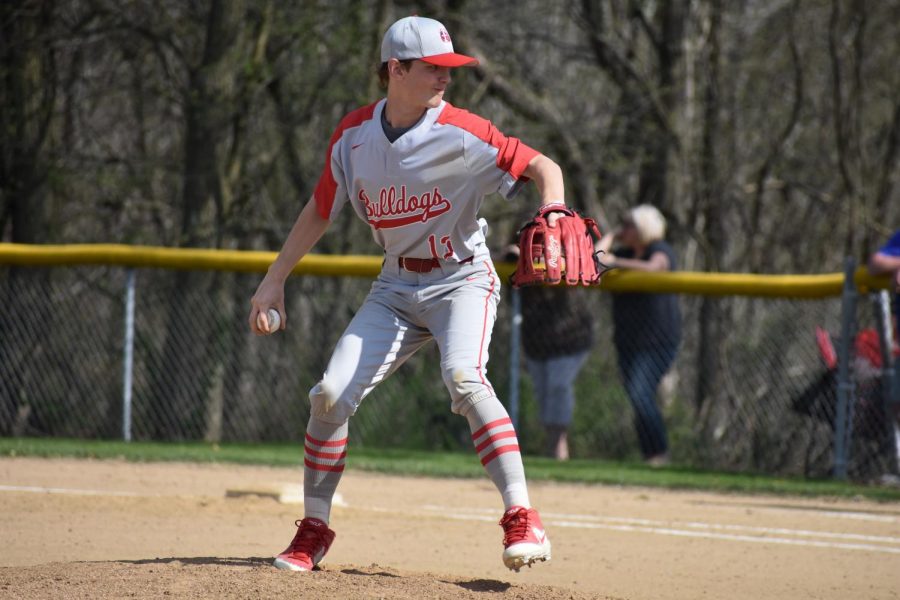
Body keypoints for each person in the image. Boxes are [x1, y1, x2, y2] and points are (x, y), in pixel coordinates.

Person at [249, 16, 566, 573]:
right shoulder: (353, 136)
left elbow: (544, 166)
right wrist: (274, 278)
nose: (446, 79)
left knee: (465, 378)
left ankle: (523, 517)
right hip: (395, 285)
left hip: (461, 279)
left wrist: (554, 210)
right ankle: (313, 530)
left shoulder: (463, 130)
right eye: (434, 69)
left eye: (449, 69)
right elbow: (321, 209)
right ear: (395, 70)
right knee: (328, 393)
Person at [596, 205, 681, 466]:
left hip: (658, 340)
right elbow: (593, 259)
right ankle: (650, 455)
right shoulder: (624, 251)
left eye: (630, 224)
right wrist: (611, 236)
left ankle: (658, 454)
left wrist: (616, 263)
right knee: (637, 396)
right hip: (628, 338)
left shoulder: (660, 250)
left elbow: (656, 268)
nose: (626, 228)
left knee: (640, 392)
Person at [504, 243, 594, 460]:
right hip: (537, 341)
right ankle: (553, 449)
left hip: (570, 338)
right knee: (544, 393)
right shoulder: (517, 256)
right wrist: (514, 255)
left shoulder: (565, 249)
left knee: (558, 387)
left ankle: (558, 447)